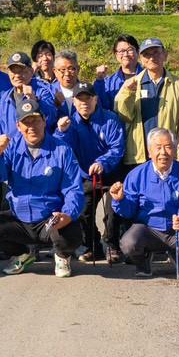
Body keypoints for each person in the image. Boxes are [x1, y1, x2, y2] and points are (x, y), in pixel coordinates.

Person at [0, 100, 85, 276]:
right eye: (26, 122)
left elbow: (73, 189)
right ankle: (22, 254)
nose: (31, 127)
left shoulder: (62, 150)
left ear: (44, 121)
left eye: (36, 120)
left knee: (71, 233)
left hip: (49, 218)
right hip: (19, 218)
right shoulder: (11, 148)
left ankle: (62, 256)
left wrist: (67, 214)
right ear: (18, 126)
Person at [110, 128, 179, 277]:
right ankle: (143, 262)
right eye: (158, 147)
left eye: (168, 147)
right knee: (128, 243)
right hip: (148, 230)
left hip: (177, 230)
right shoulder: (136, 175)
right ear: (149, 151)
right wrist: (120, 200)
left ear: (174, 150)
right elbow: (128, 211)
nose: (163, 152)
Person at [55, 84, 124, 262]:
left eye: (88, 98)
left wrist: (103, 162)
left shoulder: (110, 119)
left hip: (110, 173)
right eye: (80, 99)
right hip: (86, 175)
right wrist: (61, 132)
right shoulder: (70, 123)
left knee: (113, 211)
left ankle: (112, 245)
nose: (84, 103)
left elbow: (117, 148)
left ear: (96, 99)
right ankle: (93, 246)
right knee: (83, 210)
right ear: (74, 102)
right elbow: (61, 148)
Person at [114, 37, 179, 165]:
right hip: (139, 155)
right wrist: (128, 94)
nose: (151, 58)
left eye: (156, 52)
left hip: (166, 155)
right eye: (146, 54)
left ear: (165, 55)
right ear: (141, 58)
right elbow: (124, 116)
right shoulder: (131, 84)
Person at [0, 51, 58, 144]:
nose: (17, 75)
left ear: (31, 71)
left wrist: (34, 100)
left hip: (38, 148)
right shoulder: (6, 97)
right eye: (13, 71)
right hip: (12, 150)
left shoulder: (43, 92)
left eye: (21, 70)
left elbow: (51, 120)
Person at [92, 34, 140, 113]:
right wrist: (99, 80)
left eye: (130, 50)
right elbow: (101, 108)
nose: (126, 54)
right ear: (116, 55)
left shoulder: (148, 77)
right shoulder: (108, 83)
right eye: (121, 51)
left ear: (137, 51)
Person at [48, 49, 86, 119]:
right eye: (62, 69)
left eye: (71, 69)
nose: (67, 74)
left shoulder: (87, 91)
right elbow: (45, 120)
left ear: (78, 69)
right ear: (55, 71)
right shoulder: (48, 92)